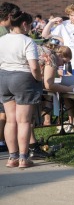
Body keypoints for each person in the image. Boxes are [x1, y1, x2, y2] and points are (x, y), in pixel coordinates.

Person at [0, 11, 43, 169]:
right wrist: (39, 78)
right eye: (30, 25)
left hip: (4, 77)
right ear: (24, 24)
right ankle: (24, 158)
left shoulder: (2, 40)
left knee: (10, 120)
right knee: (23, 121)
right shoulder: (28, 41)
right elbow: (33, 66)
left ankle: (12, 157)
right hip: (23, 78)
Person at [0, 2, 21, 153]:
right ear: (9, 16)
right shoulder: (4, 32)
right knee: (5, 114)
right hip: (6, 75)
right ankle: (3, 142)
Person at [41, 3, 74, 71]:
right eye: (71, 15)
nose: (73, 18)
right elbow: (45, 35)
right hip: (69, 61)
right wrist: (51, 22)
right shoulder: (64, 24)